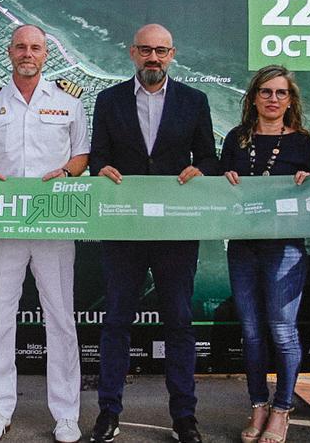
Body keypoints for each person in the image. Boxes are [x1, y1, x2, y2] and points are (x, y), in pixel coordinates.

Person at [89, 23, 218, 443]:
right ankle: (108, 412)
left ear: (172, 54)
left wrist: (201, 170)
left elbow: (210, 161)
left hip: (175, 230)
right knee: (116, 323)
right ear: (132, 53)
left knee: (179, 323)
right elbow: (99, 159)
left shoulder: (194, 101)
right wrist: (100, 170)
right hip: (124, 227)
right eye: (146, 50)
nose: (153, 58)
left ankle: (184, 417)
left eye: (161, 51)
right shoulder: (108, 101)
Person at [0, 24, 88, 443]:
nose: (28, 53)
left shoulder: (70, 103)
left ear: (45, 55)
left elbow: (81, 154)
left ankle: (66, 414)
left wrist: (68, 171)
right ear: (9, 52)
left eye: (35, 47)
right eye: (20, 46)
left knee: (61, 321)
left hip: (53, 222)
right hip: (3, 225)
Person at [220, 65, 310, 443]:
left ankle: (282, 409)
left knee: (282, 331)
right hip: (243, 245)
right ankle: (258, 404)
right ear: (254, 97)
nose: (273, 99)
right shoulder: (235, 139)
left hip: (285, 247)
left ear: (290, 99)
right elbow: (220, 184)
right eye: (266, 92)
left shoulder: (302, 142)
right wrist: (222, 179)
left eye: (281, 93)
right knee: (252, 332)